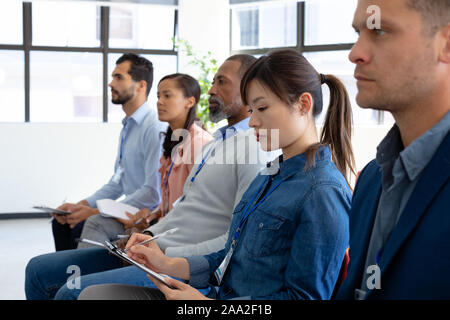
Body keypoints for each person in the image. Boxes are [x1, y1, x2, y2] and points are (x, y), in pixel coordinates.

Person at [78, 49, 355, 300]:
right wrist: (168, 264)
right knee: (93, 294)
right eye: (251, 109)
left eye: (262, 108)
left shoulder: (322, 192)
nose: (254, 120)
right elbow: (230, 257)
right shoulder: (269, 177)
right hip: (214, 294)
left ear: (303, 105)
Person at [25, 54, 273, 300]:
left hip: (182, 262)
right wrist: (149, 237)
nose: (211, 89)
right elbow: (181, 209)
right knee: (37, 270)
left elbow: (236, 237)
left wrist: (168, 256)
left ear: (249, 87)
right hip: (158, 247)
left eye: (221, 82)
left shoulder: (254, 147)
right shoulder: (217, 142)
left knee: (72, 291)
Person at [335, 0, 450, 300]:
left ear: (446, 45)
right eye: (358, 33)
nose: (355, 53)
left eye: (380, 31)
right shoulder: (371, 179)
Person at [77, 73, 213, 247]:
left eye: (167, 95)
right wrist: (151, 215)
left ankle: (88, 273)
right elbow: (168, 202)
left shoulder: (199, 143)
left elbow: (192, 207)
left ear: (190, 102)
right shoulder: (170, 139)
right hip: (163, 223)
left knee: (99, 225)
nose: (159, 101)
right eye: (158, 96)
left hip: (179, 233)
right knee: (99, 225)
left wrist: (151, 230)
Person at [50, 53, 165, 251]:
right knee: (62, 223)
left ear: (141, 85)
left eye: (119, 77)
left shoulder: (153, 127)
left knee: (81, 226)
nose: (111, 83)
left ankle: (81, 281)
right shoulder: (128, 127)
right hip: (123, 210)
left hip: (142, 216)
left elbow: (152, 193)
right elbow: (117, 182)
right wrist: (81, 205)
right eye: (113, 77)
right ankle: (67, 282)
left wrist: (96, 211)